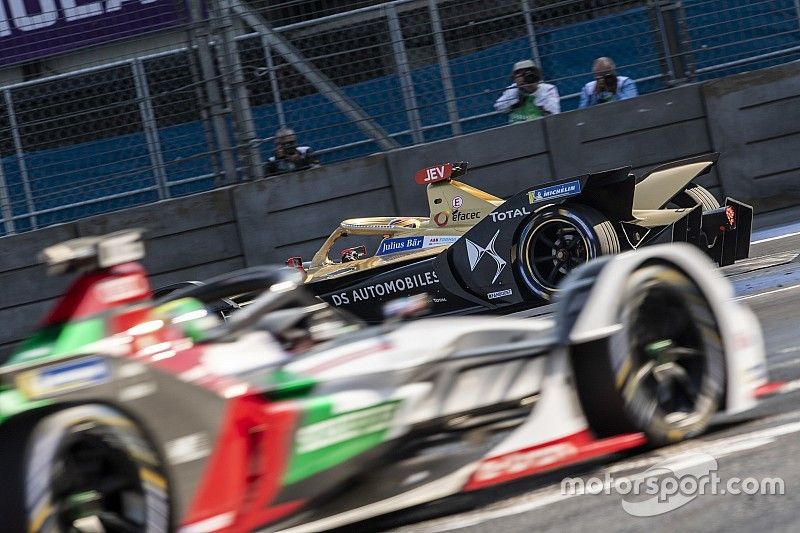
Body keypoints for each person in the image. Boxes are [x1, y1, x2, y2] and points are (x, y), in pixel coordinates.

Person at [494, 60, 560, 122]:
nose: (527, 77)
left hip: (542, 125)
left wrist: (534, 90)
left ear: (536, 74)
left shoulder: (548, 88)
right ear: (515, 78)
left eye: (529, 74)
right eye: (522, 75)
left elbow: (554, 113)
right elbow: (499, 107)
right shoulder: (513, 89)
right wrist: (517, 94)